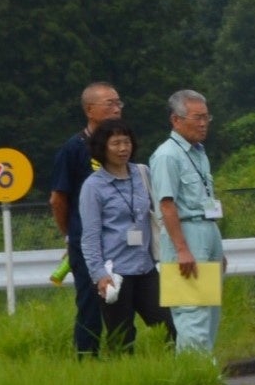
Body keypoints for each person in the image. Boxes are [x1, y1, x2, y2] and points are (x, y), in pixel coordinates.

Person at [76, 120, 169, 350]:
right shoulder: (93, 186)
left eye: (126, 142)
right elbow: (90, 236)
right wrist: (99, 274)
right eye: (116, 143)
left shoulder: (142, 173)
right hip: (115, 273)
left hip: (146, 267)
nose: (123, 148)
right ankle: (124, 371)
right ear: (102, 148)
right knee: (121, 338)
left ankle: (178, 367)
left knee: (169, 326)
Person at [50, 79, 123, 354]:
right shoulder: (74, 149)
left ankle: (122, 359)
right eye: (110, 103)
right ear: (90, 110)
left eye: (119, 103)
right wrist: (70, 235)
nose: (117, 108)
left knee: (121, 304)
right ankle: (87, 359)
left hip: (119, 241)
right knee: (91, 305)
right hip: (86, 242)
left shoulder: (120, 146)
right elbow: (58, 199)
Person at [149, 89, 223, 355]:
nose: (203, 124)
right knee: (192, 310)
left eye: (206, 117)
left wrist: (217, 246)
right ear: (176, 120)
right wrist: (182, 249)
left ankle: (206, 370)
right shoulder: (167, 155)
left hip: (207, 229)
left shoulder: (198, 152)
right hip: (186, 232)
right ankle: (196, 371)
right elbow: (166, 205)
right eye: (197, 118)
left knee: (210, 310)